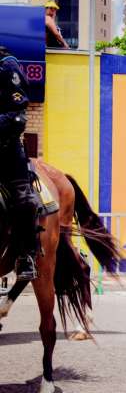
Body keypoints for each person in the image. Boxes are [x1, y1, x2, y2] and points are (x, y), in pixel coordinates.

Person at [0, 47, 38, 281]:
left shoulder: (7, 66)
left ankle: (26, 255)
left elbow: (18, 114)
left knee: (24, 198)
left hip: (5, 147)